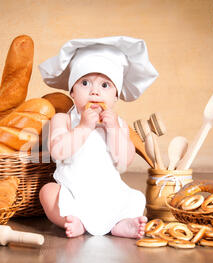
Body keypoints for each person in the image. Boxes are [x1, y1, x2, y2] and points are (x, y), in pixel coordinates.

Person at [38, 36, 159, 238]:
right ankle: (74, 220)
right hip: (73, 193)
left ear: (115, 97)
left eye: (105, 86)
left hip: (109, 193)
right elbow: (58, 152)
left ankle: (121, 224)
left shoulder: (118, 124)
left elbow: (123, 162)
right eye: (85, 83)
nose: (94, 92)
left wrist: (113, 130)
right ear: (72, 93)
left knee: (135, 198)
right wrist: (84, 127)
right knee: (47, 193)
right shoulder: (63, 120)